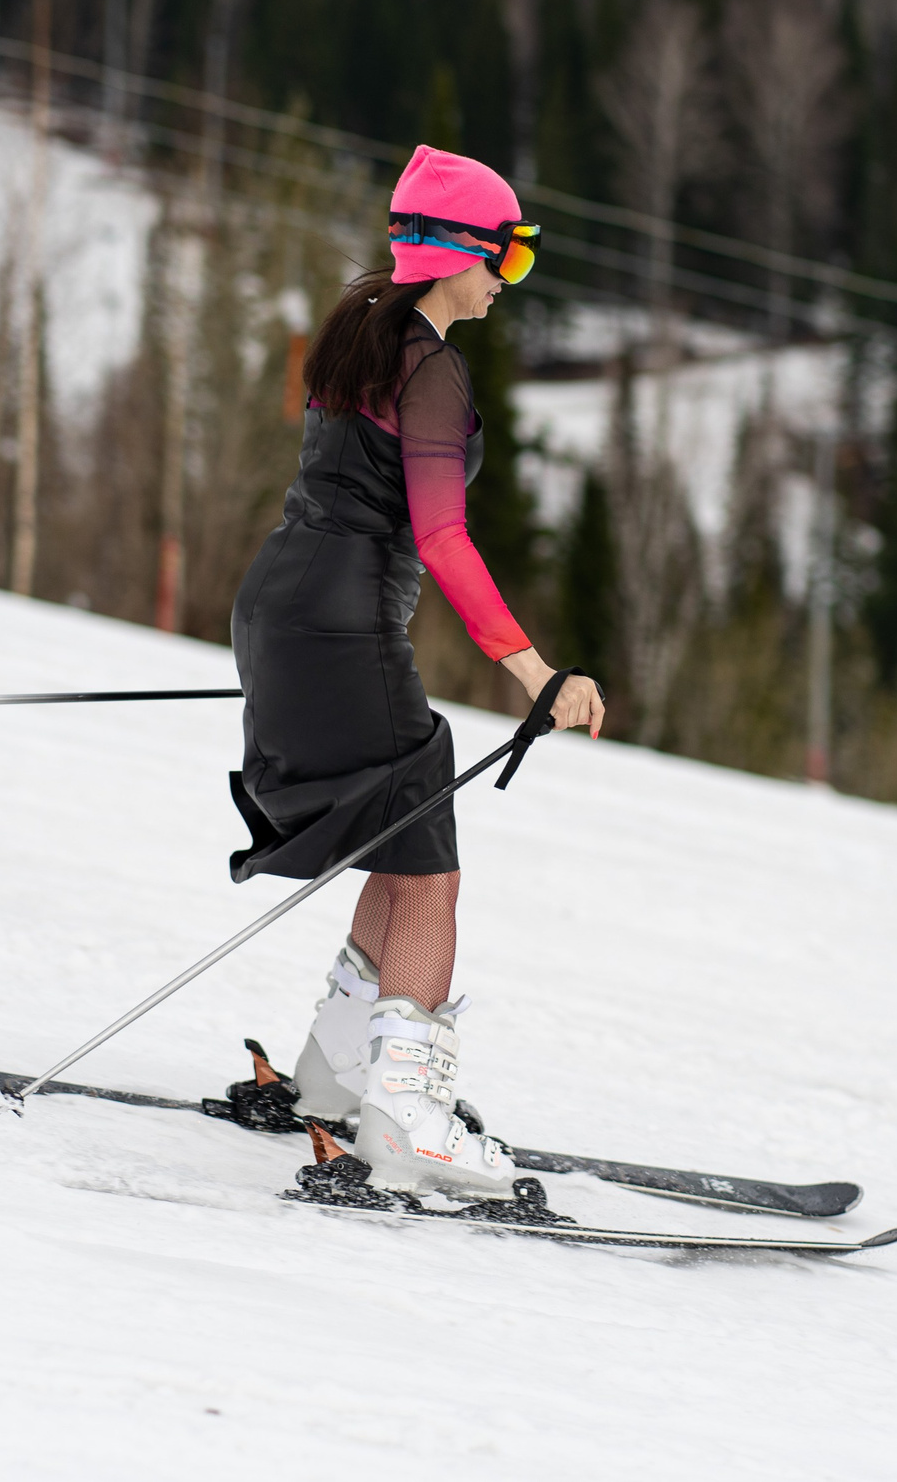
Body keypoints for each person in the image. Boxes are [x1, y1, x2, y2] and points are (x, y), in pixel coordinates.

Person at [229, 145, 603, 1200]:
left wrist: (300, 652)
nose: (506, 279)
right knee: (426, 860)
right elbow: (442, 539)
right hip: (341, 630)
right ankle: (407, 1118)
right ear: (454, 256)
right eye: (505, 256)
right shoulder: (429, 369)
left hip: (280, 609)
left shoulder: (363, 329)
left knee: (395, 832)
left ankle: (338, 1077)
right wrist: (535, 673)